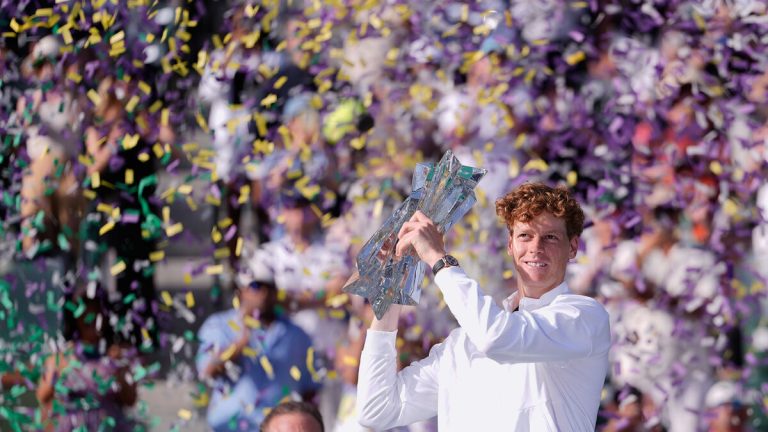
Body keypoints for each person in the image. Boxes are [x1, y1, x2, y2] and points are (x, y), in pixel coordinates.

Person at [356, 182, 611, 431]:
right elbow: (376, 410)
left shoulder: (583, 316)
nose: (536, 248)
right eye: (525, 235)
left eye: (550, 238)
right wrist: (392, 288)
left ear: (573, 247)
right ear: (511, 245)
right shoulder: (462, 344)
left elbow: (496, 338)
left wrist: (438, 258)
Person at [197, 268, 320, 431]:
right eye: (255, 286)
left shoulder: (297, 334)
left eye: (269, 287)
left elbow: (309, 390)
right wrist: (242, 341)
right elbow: (208, 371)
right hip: (231, 426)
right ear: (240, 292)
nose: (263, 293)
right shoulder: (219, 325)